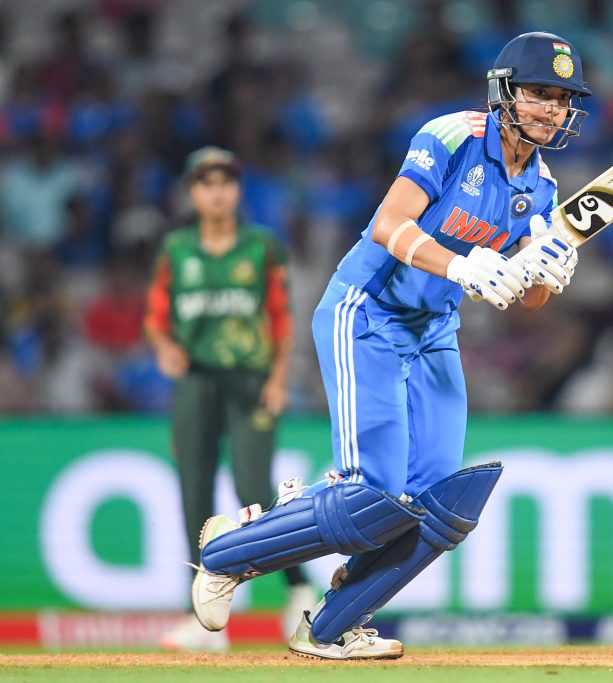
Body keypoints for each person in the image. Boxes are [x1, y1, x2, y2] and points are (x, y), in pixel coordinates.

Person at [184, 32, 588, 660]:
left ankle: (331, 625)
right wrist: (461, 265)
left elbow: (526, 298)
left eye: (562, 100)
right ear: (505, 91)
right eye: (540, 93)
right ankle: (230, 551)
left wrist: (546, 273)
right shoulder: (451, 136)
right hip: (366, 311)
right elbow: (389, 224)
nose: (552, 110)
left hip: (434, 330)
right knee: (372, 494)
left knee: (438, 504)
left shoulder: (540, 188)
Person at [144, 147, 315, 651]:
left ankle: (299, 589)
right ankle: (201, 621)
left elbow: (281, 319)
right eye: (206, 184)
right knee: (194, 495)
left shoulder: (261, 246)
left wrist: (279, 380)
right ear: (192, 193)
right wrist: (164, 347)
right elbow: (155, 316)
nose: (217, 193)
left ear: (237, 190)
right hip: (196, 382)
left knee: (253, 489)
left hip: (250, 380)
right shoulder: (176, 249)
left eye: (226, 183)